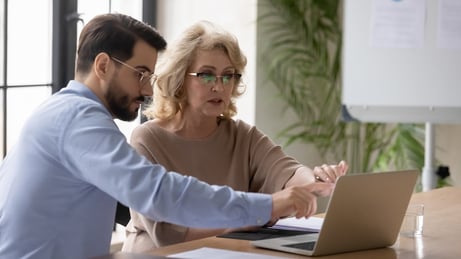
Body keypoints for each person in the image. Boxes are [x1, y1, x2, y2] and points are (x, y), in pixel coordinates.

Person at [0, 14, 336, 259]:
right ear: (103, 66)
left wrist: (308, 186)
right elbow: (161, 193)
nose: (147, 88)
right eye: (140, 74)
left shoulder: (69, 114)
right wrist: (268, 205)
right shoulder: (78, 120)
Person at [122, 20, 348, 252]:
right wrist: (247, 217)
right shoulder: (147, 139)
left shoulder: (243, 136)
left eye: (228, 76)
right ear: (180, 80)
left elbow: (287, 172)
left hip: (223, 253)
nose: (219, 87)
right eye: (207, 75)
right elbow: (169, 234)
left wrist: (317, 182)